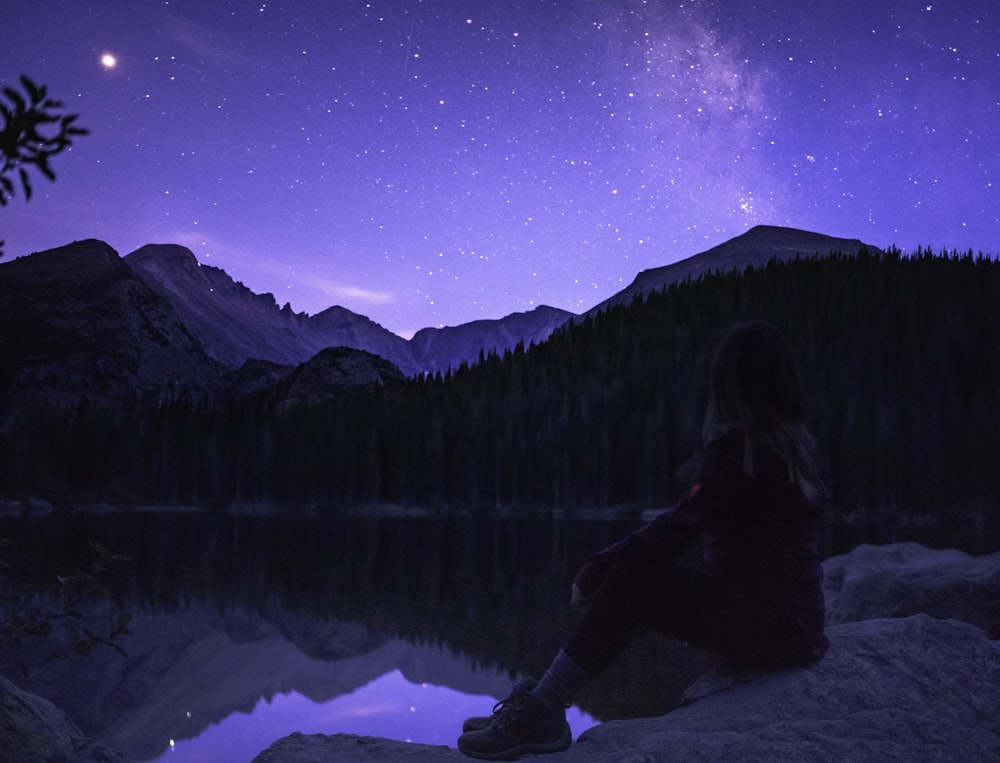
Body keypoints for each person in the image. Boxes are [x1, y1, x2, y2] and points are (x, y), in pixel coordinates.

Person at [457, 320, 830, 760]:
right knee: (640, 576)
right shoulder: (790, 444)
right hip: (795, 625)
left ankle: (544, 710)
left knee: (634, 579)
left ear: (727, 387)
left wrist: (599, 566)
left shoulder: (740, 449)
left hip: (771, 627)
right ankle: (541, 699)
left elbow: (678, 527)